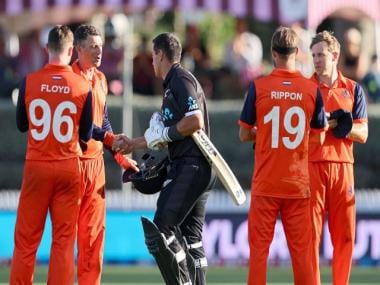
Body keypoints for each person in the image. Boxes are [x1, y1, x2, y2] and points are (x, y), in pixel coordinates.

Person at [114, 32, 212, 285]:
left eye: (153, 57)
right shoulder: (174, 84)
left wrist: (168, 132)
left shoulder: (179, 80)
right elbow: (162, 135)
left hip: (190, 166)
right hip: (199, 166)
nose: (152, 63)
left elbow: (194, 121)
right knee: (192, 238)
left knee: (162, 228)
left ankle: (182, 283)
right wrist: (133, 144)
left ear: (159, 55)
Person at [238, 26, 327, 285]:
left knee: (259, 254)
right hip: (298, 185)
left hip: (266, 183)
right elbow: (319, 137)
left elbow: (244, 135)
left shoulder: (259, 87)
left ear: (273, 53)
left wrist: (263, 134)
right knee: (303, 257)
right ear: (297, 52)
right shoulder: (312, 91)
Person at [10, 25, 93, 284]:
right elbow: (87, 135)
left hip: (37, 166)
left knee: (26, 241)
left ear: (46, 49)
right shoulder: (82, 85)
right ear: (71, 50)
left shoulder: (29, 81)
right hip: (68, 168)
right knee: (64, 241)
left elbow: (22, 125)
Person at [72, 24, 138, 285]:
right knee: (67, 237)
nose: (99, 51)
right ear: (78, 49)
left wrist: (120, 157)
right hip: (73, 164)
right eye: (93, 47)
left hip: (96, 167)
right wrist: (110, 138)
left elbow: (103, 121)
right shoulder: (70, 80)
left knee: (94, 238)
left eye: (100, 46)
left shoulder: (100, 79)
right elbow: (84, 126)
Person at [309, 31, 368, 285]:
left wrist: (341, 127)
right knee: (310, 236)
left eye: (321, 54)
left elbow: (363, 132)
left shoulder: (353, 89)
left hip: (343, 168)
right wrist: (326, 124)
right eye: (313, 55)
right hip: (311, 165)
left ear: (335, 55)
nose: (317, 60)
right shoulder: (305, 88)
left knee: (345, 236)